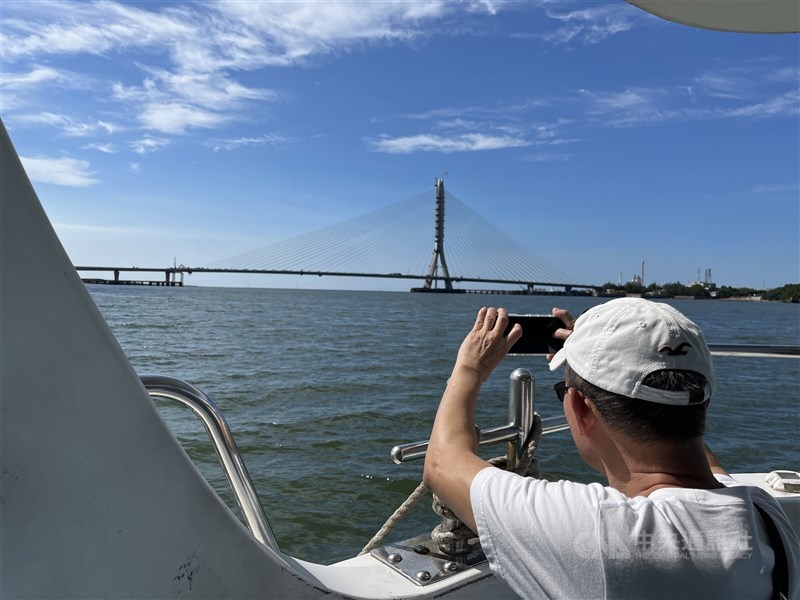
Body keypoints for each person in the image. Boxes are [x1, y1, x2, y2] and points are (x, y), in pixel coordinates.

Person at [423, 297, 799, 599]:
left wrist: (469, 369)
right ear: (702, 405)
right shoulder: (763, 514)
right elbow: (702, 458)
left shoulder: (597, 531)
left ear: (581, 410)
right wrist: (590, 356)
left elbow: (442, 464)